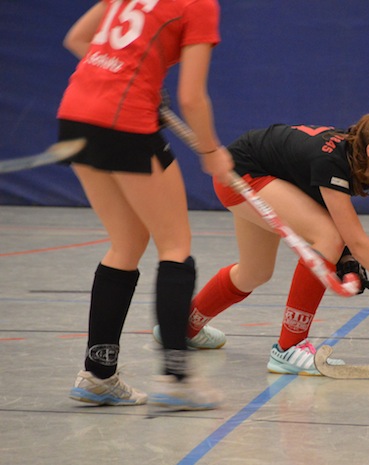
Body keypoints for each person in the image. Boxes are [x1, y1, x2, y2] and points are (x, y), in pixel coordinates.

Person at [153, 110, 369, 375]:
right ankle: (289, 347)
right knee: (329, 238)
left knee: (255, 272)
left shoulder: (358, 158)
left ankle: (180, 328)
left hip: (258, 170)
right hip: (241, 175)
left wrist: (346, 258)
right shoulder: (334, 163)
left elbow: (331, 214)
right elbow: (357, 241)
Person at [58, 0, 233, 409]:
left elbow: (77, 39)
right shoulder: (199, 5)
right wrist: (211, 151)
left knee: (127, 242)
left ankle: (99, 373)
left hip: (77, 112)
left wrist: (128, 78)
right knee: (175, 245)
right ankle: (177, 379)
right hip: (123, 119)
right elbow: (192, 96)